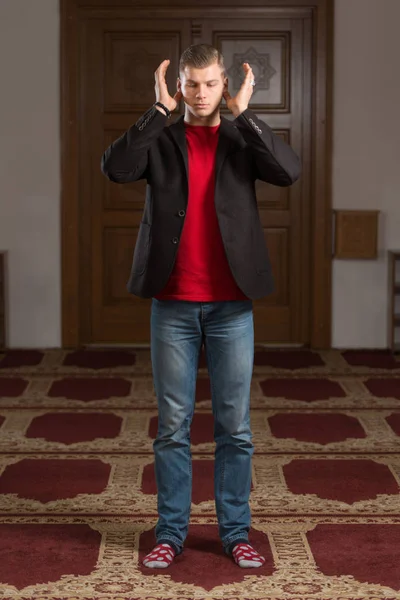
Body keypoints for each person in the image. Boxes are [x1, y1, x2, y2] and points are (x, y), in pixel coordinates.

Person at [101, 44, 301, 569]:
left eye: (210, 84)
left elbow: (288, 171)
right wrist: (156, 112)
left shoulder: (240, 135)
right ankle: (171, 533)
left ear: (223, 86)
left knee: (235, 428)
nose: (201, 93)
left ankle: (236, 533)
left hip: (232, 305)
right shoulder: (161, 136)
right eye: (192, 84)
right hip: (173, 306)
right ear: (179, 86)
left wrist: (246, 113)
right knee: (172, 426)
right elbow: (116, 169)